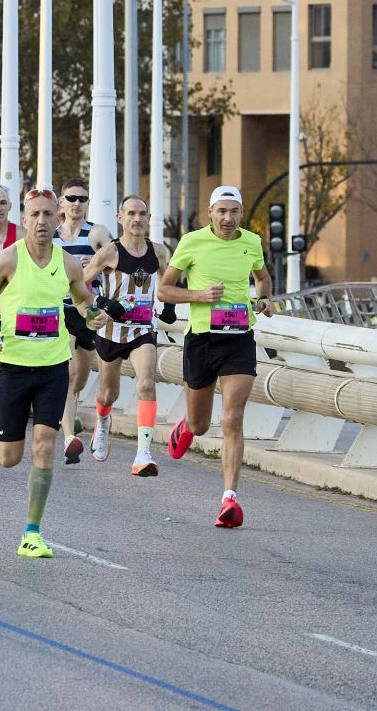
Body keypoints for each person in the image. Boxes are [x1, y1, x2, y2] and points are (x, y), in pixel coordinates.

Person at [0, 189, 106, 559]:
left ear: (59, 220)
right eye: (34, 215)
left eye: (48, 214)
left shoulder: (68, 263)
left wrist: (94, 314)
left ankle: (32, 532)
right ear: (23, 220)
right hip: (15, 366)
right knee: (11, 458)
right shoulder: (9, 259)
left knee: (45, 445)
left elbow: (83, 299)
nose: (41, 221)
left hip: (54, 366)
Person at [160, 186, 271, 529]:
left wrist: (264, 298)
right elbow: (164, 289)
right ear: (210, 213)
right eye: (221, 211)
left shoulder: (251, 242)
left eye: (233, 211)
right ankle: (187, 427)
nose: (227, 218)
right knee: (201, 424)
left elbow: (262, 278)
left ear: (241, 214)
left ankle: (229, 499)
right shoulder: (191, 242)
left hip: (239, 339)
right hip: (202, 341)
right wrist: (199, 295)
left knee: (232, 418)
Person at [85, 195, 169, 477]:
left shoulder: (159, 252)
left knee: (146, 384)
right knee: (109, 394)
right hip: (111, 330)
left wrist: (167, 307)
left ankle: (143, 453)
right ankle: (102, 422)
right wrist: (102, 302)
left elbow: (167, 284)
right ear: (120, 218)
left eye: (142, 213)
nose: (137, 218)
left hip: (142, 329)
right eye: (131, 213)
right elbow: (78, 282)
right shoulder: (110, 252)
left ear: (148, 217)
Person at [55, 177, 113, 462]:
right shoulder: (51, 236)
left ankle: (66, 412)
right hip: (61, 308)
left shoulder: (97, 234)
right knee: (66, 373)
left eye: (82, 199)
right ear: (61, 202)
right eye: (72, 198)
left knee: (80, 377)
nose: (77, 204)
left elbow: (117, 258)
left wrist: (97, 264)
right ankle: (69, 438)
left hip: (90, 310)